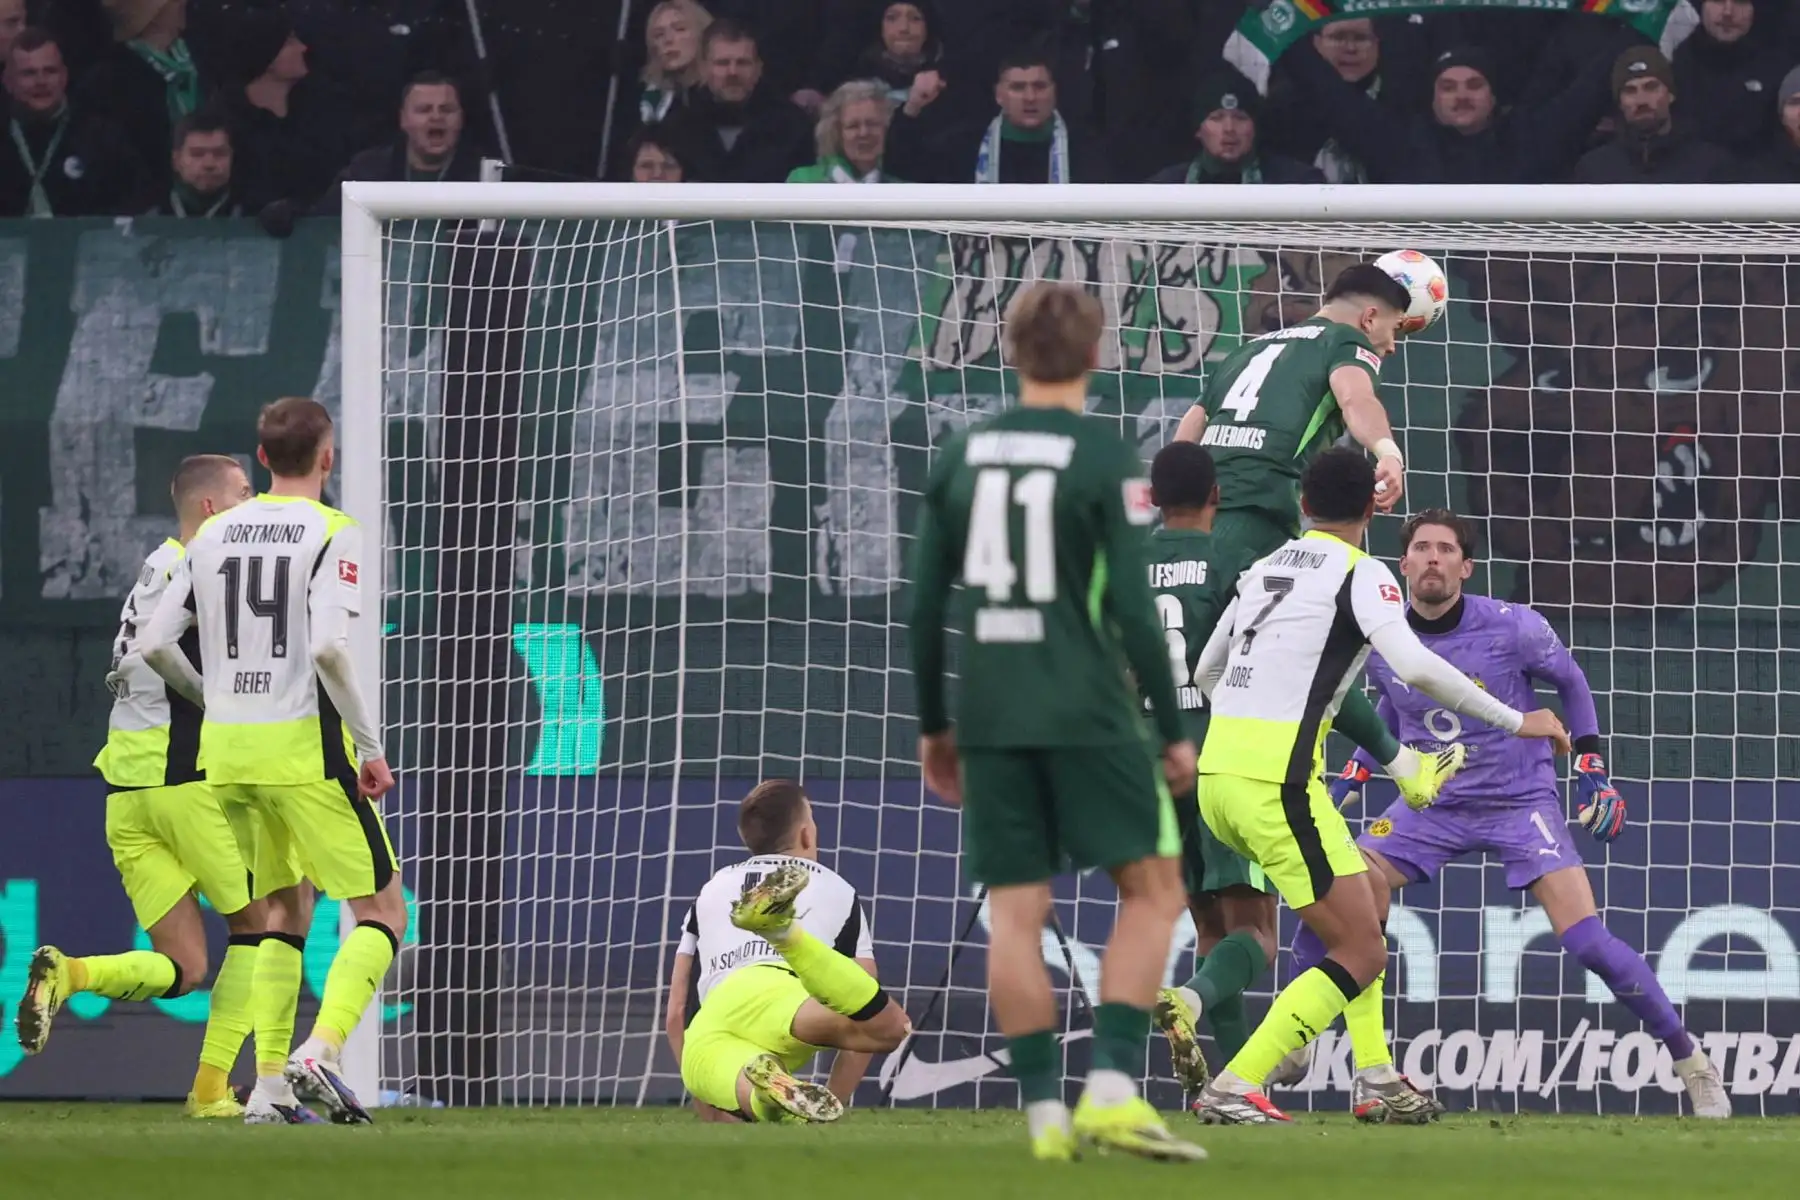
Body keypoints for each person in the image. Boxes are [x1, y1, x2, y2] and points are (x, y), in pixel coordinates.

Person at [909, 281, 1206, 1163]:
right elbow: (1133, 614)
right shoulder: (1101, 457)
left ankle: (1042, 1115)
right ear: (1092, 355)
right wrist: (1172, 732)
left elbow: (926, 610)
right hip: (1087, 705)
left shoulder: (961, 454)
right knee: (1154, 889)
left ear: (1009, 350)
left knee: (1015, 910)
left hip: (994, 711)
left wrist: (936, 725)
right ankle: (1111, 1086)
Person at [1186, 449, 1571, 1124]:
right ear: (1373, 508)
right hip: (1275, 784)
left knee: (1365, 897)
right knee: (1360, 948)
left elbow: (1210, 671)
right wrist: (1518, 718)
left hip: (1218, 775)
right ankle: (1236, 1081)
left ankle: (1377, 1077)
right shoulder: (1362, 575)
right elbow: (1417, 667)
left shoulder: (1263, 568)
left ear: (1303, 503)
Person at [1317, 508, 1732, 1121]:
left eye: (1446, 550)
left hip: (1519, 799)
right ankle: (1298, 1040)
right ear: (1402, 564)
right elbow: (1390, 704)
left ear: (1467, 565)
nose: (1433, 558)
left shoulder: (1513, 627)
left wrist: (1593, 769)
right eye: (1422, 548)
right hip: (1430, 803)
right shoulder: (1382, 636)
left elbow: (1571, 682)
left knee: (1588, 941)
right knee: (1341, 883)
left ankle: (1690, 1060)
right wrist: (1355, 771)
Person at [13, 457, 319, 1123]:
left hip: (126, 791)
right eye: (244, 492)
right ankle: (214, 1090)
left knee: (184, 966)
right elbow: (158, 651)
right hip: (183, 779)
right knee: (271, 912)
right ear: (212, 509)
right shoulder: (208, 567)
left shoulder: (157, 564)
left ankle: (69, 973)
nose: (255, 502)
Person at [141, 396, 401, 1126]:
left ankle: (269, 1090)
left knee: (282, 912)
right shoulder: (332, 531)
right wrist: (370, 749)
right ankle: (318, 1050)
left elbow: (158, 642)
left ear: (260, 458)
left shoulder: (213, 531)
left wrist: (214, 695)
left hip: (227, 754)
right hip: (302, 748)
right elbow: (324, 648)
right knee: (382, 909)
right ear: (327, 457)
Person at [1173, 262, 1462, 814]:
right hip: (1257, 512)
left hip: (1197, 517)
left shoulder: (1249, 350)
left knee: (1225, 651)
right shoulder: (1349, 345)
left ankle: (1393, 764)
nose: (1392, 348)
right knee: (1305, 646)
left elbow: (1189, 431)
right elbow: (1357, 400)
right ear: (1371, 315)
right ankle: (1390, 765)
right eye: (1396, 331)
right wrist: (1389, 453)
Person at [1135, 442, 1279, 1103]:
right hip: (1220, 762)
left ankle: (1229, 1083)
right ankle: (1190, 1002)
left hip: (1150, 767)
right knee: (1256, 934)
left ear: (1153, 500)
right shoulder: (1233, 561)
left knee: (1209, 928)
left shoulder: (1127, 565)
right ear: (1216, 496)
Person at [666, 779, 911, 1123]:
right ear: (807, 835)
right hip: (783, 997)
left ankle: (767, 1101)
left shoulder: (711, 888)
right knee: (889, 1027)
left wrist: (714, 1116)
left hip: (714, 1018)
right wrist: (832, 1104)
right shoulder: (836, 889)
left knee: (730, 1077)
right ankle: (785, 934)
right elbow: (864, 1001)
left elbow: (676, 1012)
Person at [786, 78, 898, 182]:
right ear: (837, 133)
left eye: (872, 124)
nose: (864, 133)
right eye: (853, 126)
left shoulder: (902, 190)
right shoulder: (804, 180)